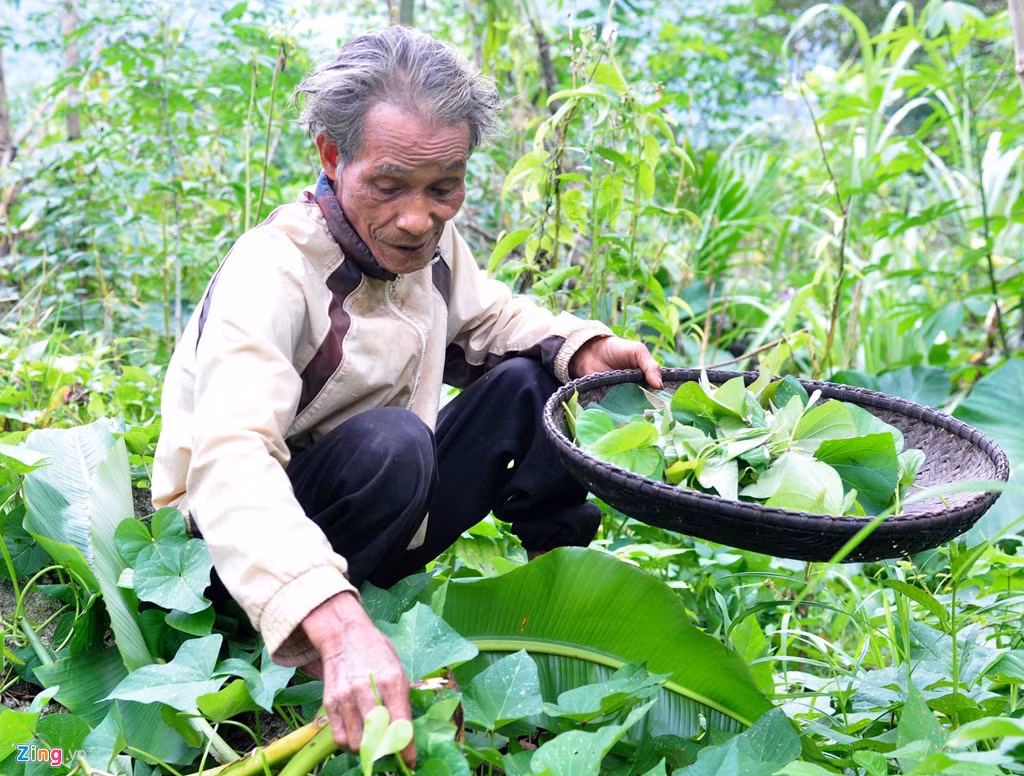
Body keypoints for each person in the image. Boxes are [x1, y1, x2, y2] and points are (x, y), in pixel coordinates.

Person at [152, 25, 662, 767]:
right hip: (239, 557)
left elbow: (492, 321)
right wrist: (332, 618)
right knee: (394, 443)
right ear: (333, 157)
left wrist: (582, 345)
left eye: (443, 187)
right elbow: (229, 459)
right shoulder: (273, 271)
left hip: (379, 511)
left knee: (528, 381)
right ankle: (332, 643)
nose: (419, 216)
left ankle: (553, 588)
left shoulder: (429, 245)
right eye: (389, 186)